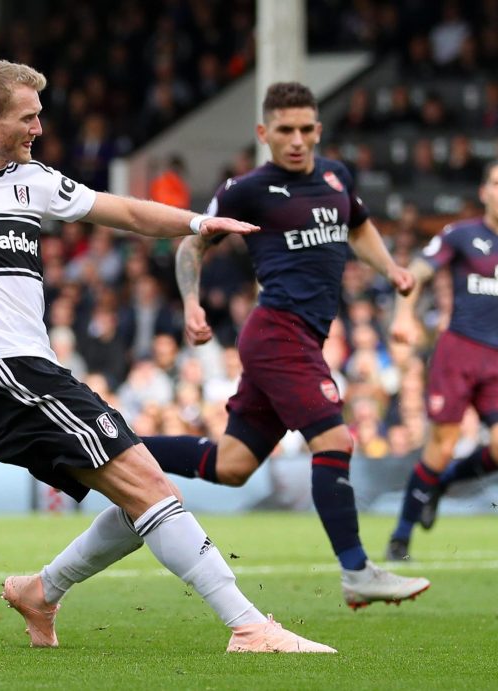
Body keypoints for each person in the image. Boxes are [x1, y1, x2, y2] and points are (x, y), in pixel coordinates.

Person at [0, 60, 335, 654]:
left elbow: (121, 211)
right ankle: (250, 626)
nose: (39, 128)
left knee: (140, 498)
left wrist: (197, 221)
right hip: (3, 372)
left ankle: (42, 592)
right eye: (29, 117)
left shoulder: (34, 180)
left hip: (33, 371)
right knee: (152, 488)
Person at [142, 82, 431, 608]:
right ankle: (357, 570)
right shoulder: (247, 190)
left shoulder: (336, 176)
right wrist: (190, 303)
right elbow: (193, 241)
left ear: (318, 130)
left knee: (230, 465)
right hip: (278, 333)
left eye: (305, 129)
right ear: (264, 133)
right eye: (285, 130)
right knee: (336, 441)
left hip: (302, 337)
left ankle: (118, 453)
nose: (296, 140)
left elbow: (358, 227)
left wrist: (390, 268)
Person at [385, 158, 498, 561]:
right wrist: (405, 316)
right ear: (484, 192)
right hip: (457, 351)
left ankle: (442, 484)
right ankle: (400, 538)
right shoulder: (461, 235)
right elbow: (416, 273)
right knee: (440, 445)